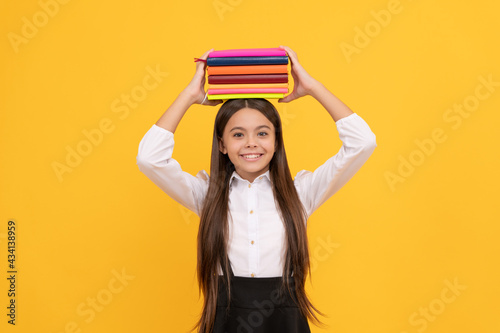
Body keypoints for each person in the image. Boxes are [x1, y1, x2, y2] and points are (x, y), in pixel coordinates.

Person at [136, 46, 377, 333]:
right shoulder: (208, 195)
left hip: (285, 322)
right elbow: (149, 158)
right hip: (225, 320)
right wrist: (189, 96)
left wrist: (312, 87)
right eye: (238, 134)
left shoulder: (300, 192)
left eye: (262, 133)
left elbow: (362, 143)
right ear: (222, 145)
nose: (251, 143)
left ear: (276, 142)